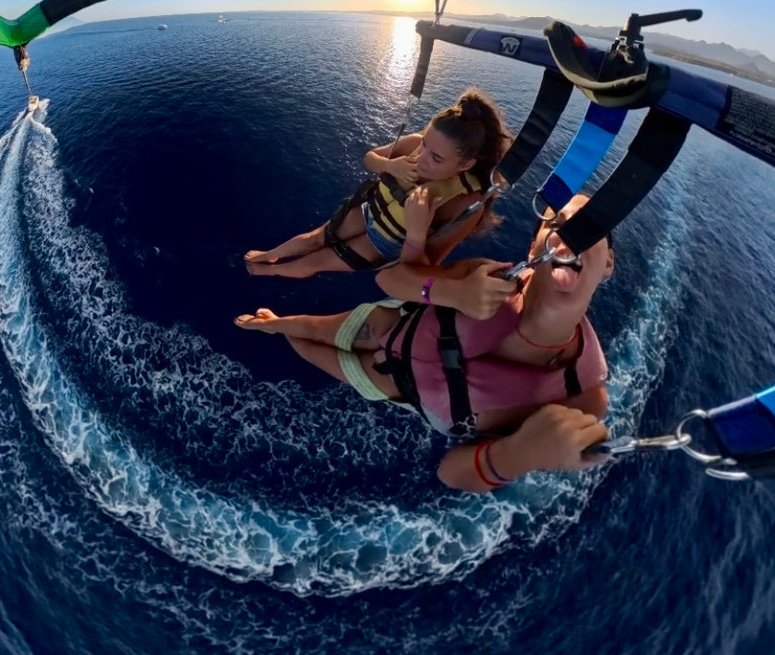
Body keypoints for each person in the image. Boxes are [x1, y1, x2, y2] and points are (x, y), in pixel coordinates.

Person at [235, 195, 612, 492]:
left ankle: (280, 333)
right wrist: (454, 291)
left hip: (387, 383)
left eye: (590, 229)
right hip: (387, 325)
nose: (573, 238)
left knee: (309, 350)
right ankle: (273, 325)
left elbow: (451, 471)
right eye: (560, 224)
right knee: (315, 328)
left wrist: (519, 454)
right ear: (535, 248)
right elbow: (394, 281)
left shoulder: (582, 397)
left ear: (608, 265)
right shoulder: (486, 276)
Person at [244, 89, 511, 279]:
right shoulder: (414, 146)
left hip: (384, 243)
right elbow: (369, 158)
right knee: (316, 238)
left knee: (316, 261)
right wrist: (390, 165)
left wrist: (418, 229)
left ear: (465, 165)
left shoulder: (465, 204)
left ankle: (271, 270)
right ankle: (271, 254)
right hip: (369, 209)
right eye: (426, 144)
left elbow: (425, 268)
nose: (423, 158)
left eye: (437, 158)